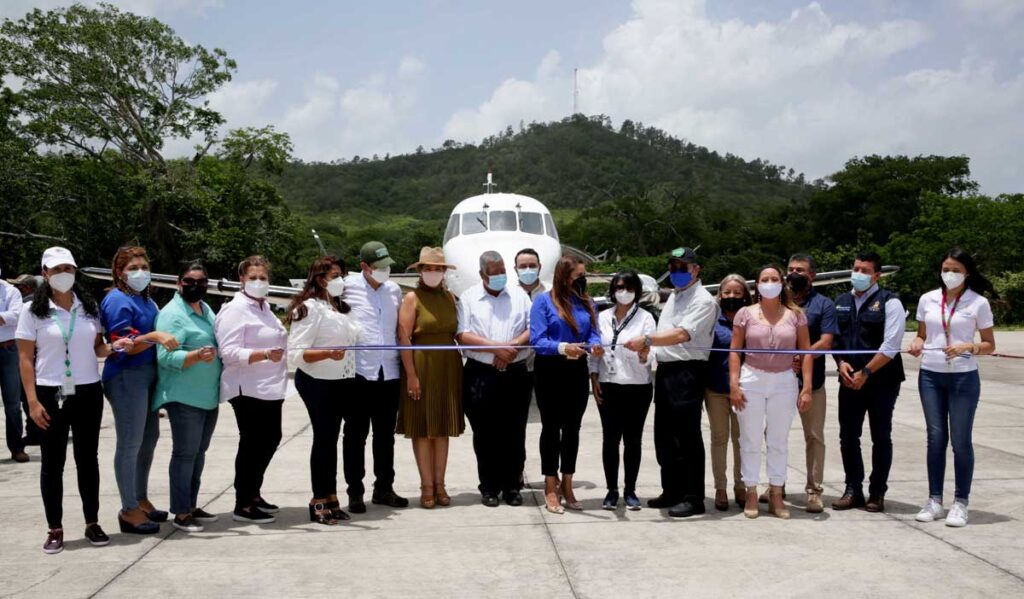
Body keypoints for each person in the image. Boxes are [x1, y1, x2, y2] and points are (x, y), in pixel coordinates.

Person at [16, 247, 133, 554]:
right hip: (48, 393)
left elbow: (97, 348)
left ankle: (92, 521)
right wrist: (31, 401)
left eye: (68, 268)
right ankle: (55, 527)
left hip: (87, 391)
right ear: (45, 274)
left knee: (87, 459)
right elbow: (25, 359)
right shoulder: (32, 312)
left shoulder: (89, 307)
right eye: (56, 270)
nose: (63, 274)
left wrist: (114, 346)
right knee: (53, 464)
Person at [624, 247, 717, 518]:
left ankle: (693, 496)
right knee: (665, 436)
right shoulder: (675, 298)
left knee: (687, 436)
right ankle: (672, 490)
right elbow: (663, 336)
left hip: (687, 372)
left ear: (696, 270)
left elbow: (681, 335)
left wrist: (648, 341)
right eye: (673, 267)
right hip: (666, 371)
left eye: (682, 267)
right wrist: (648, 351)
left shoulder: (703, 301)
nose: (677, 272)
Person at [909, 248, 996, 528]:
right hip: (931, 375)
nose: (950, 274)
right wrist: (918, 343)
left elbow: (989, 344)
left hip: (963, 377)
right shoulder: (928, 299)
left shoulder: (978, 303)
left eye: (956, 269)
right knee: (935, 438)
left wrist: (968, 346)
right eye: (946, 269)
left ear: (967, 272)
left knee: (960, 440)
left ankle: (961, 502)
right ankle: (935, 500)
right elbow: (923, 334)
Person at [100, 246, 177, 534]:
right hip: (126, 376)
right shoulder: (117, 300)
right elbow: (125, 346)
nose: (141, 272)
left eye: (144, 266)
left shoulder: (145, 300)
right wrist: (154, 336)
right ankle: (128, 508)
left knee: (148, 439)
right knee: (130, 442)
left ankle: (140, 497)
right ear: (120, 272)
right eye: (134, 268)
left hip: (148, 375)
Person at [729, 265, 814, 519]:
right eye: (764, 279)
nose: (769, 282)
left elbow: (807, 352)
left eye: (774, 278)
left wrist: (806, 387)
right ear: (757, 285)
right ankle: (751, 491)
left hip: (784, 381)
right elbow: (735, 351)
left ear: (782, 283)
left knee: (778, 440)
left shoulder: (796, 315)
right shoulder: (744, 314)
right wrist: (734, 384)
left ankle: (776, 492)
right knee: (750, 439)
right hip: (752, 378)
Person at [287, 255, 361, 525]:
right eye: (335, 276)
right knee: (324, 439)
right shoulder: (309, 308)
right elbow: (295, 353)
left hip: (341, 381)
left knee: (331, 440)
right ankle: (318, 499)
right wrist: (327, 354)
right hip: (317, 382)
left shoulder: (339, 308)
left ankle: (331, 497)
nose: (341, 280)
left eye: (342, 275)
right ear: (319, 279)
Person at [215, 255, 288, 524]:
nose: (259, 282)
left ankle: (253, 493)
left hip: (270, 387)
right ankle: (243, 502)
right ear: (241, 280)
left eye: (263, 277)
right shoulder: (235, 310)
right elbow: (229, 352)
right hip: (247, 387)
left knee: (269, 439)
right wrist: (265, 354)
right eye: (253, 277)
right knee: (252, 443)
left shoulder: (265, 308)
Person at [832, 251, 906, 513]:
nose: (858, 274)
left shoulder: (890, 302)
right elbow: (836, 341)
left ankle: (877, 492)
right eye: (856, 269)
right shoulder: (840, 301)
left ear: (876, 275)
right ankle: (853, 489)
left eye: (864, 271)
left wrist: (866, 373)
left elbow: (891, 346)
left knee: (881, 436)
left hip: (881, 381)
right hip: (849, 380)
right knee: (848, 436)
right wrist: (841, 365)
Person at [457, 251, 532, 507]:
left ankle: (512, 485)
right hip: (480, 374)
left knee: (514, 431)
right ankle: (489, 486)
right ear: (482, 275)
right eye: (494, 272)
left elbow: (532, 329)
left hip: (515, 373)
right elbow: (462, 335)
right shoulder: (468, 298)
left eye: (502, 271)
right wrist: (495, 348)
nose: (500, 276)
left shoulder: (520, 296)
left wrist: (510, 348)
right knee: (485, 433)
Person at [530, 255, 604, 514]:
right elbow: (538, 340)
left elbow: (594, 331)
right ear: (563, 276)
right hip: (550, 370)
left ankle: (568, 482)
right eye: (578, 276)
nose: (582, 281)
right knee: (551, 429)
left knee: (573, 428)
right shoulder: (543, 302)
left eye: (584, 276)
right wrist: (563, 347)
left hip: (576, 371)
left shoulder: (586, 302)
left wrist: (595, 343)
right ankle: (550, 485)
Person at [153, 261, 222, 533]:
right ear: (179, 283)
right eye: (190, 281)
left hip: (207, 396)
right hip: (184, 397)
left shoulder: (205, 310)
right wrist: (195, 356)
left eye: (201, 281)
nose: (196, 286)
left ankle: (191, 504)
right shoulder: (172, 314)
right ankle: (181, 512)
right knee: (184, 454)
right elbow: (165, 356)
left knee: (198, 453)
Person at [341, 241, 409, 512]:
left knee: (385, 436)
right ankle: (355, 492)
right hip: (359, 372)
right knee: (355, 435)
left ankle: (384, 488)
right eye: (379, 267)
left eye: (388, 266)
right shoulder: (347, 287)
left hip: (388, 372)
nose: (385, 271)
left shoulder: (394, 291)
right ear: (364, 267)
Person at [770, 253, 838, 513]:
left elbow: (827, 340)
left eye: (800, 270)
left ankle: (814, 490)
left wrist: (802, 354)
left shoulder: (824, 305)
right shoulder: (776, 303)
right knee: (774, 434)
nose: (794, 273)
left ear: (813, 276)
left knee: (814, 436)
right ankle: (777, 485)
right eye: (790, 269)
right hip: (778, 380)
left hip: (813, 382)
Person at [397, 247, 464, 509]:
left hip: (448, 365)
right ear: (420, 272)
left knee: (443, 428)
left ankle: (440, 484)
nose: (433, 273)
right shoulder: (412, 298)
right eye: (428, 269)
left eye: (437, 269)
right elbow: (404, 338)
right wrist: (411, 375)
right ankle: (426, 486)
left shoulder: (449, 298)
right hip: (422, 364)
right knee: (423, 429)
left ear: (444, 272)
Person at [589, 269, 655, 511]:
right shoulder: (602, 316)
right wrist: (594, 376)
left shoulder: (646, 318)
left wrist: (644, 352)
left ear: (636, 291)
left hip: (637, 386)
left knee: (633, 440)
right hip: (608, 385)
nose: (623, 292)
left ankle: (630, 490)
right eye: (618, 288)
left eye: (628, 288)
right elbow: (595, 348)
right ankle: (611, 490)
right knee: (610, 439)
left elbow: (651, 352)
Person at [704, 274, 751, 511]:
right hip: (715, 388)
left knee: (742, 440)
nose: (731, 297)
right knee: (719, 438)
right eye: (727, 293)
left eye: (737, 293)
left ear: (745, 295)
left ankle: (740, 486)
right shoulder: (712, 319)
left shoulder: (752, 318)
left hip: (745, 390)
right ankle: (720, 488)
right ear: (720, 294)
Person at [514, 247, 547, 490]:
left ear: (540, 267)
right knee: (516, 423)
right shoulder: (508, 294)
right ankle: (516, 471)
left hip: (547, 366)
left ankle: (551, 474)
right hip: (518, 366)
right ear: (515, 269)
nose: (527, 270)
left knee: (551, 423)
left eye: (531, 265)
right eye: (522, 266)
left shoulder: (551, 294)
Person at [13, 275, 44, 447]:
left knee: (28, 397)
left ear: (27, 288)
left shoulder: (26, 304)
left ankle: (34, 432)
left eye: (21, 286)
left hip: (32, 357)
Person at [1, 267, 27, 462]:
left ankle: (17, 447)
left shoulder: (10, 291)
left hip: (8, 349)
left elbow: (17, 315)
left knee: (12, 402)